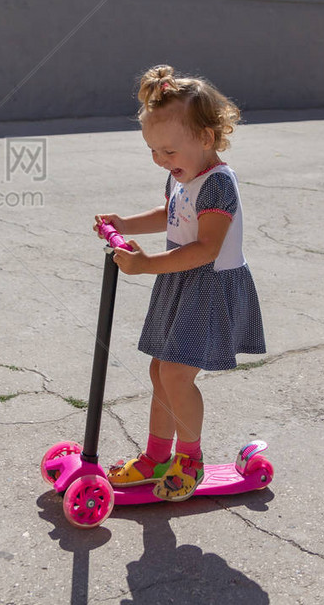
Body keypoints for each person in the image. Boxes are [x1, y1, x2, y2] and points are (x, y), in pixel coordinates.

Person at [94, 64, 265, 502]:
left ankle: (190, 460)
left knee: (176, 375)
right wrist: (124, 222)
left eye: (168, 151)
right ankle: (155, 457)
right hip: (180, 283)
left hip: (209, 290)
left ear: (205, 138)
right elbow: (170, 213)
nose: (162, 161)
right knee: (159, 372)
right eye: (154, 151)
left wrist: (147, 263)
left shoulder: (218, 184)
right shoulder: (181, 176)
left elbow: (206, 247)